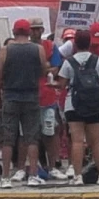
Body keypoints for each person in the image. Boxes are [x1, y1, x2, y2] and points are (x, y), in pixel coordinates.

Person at [57, 29, 99, 185]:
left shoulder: (68, 62)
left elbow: (61, 85)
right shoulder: (97, 60)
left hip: (74, 104)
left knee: (77, 141)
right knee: (96, 142)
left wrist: (54, 84)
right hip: (94, 104)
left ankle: (77, 176)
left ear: (75, 44)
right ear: (90, 43)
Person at [0, 19, 49, 188]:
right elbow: (44, 71)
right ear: (29, 32)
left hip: (10, 95)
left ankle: (5, 178)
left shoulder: (5, 50)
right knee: (32, 138)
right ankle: (32, 174)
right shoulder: (38, 49)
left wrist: (0, 92)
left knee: (8, 138)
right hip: (31, 96)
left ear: (14, 32)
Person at [30, 19, 67, 182]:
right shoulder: (25, 47)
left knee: (50, 132)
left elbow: (56, 68)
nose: (35, 32)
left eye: (38, 29)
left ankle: (53, 166)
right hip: (30, 96)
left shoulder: (50, 46)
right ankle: (31, 167)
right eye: (33, 29)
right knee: (30, 136)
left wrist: (43, 68)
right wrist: (45, 67)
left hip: (48, 96)